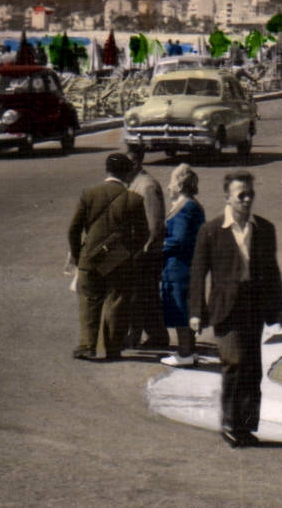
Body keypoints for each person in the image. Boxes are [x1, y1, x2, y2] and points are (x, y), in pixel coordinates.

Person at [189, 171, 282, 448]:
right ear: (227, 197)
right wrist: (196, 311)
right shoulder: (211, 230)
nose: (246, 199)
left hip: (253, 305)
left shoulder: (264, 229)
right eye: (240, 195)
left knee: (252, 367)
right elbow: (198, 274)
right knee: (234, 361)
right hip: (225, 308)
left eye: (250, 194)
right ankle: (231, 423)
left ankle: (246, 426)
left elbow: (272, 271)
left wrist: (278, 309)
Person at [67, 153, 151, 361]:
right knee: (117, 302)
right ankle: (113, 348)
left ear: (107, 170)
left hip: (90, 257)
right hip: (119, 261)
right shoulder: (134, 199)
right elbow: (143, 234)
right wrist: (126, 252)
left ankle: (87, 345)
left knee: (89, 300)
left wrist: (79, 256)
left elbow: (73, 229)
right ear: (127, 173)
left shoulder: (89, 194)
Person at [159, 164, 207, 367]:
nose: (168, 186)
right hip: (185, 265)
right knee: (186, 307)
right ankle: (190, 351)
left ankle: (184, 353)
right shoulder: (190, 205)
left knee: (180, 309)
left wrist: (160, 246)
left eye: (171, 182)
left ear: (179, 186)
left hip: (179, 266)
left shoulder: (185, 208)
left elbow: (178, 239)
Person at [125, 147, 170, 351]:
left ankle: (141, 337)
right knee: (146, 296)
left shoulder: (147, 186)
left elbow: (154, 223)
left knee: (142, 295)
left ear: (136, 163)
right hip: (138, 251)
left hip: (146, 254)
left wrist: (145, 250)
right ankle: (155, 336)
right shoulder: (134, 183)